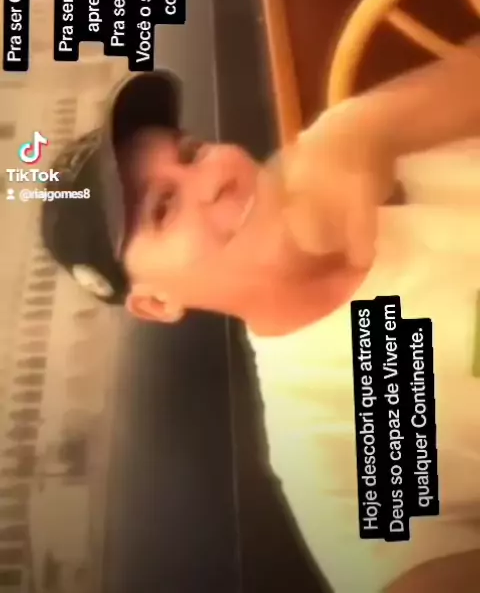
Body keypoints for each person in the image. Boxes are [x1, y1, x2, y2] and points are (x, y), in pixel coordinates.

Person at [41, 39, 480, 593]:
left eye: (192, 153)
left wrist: (382, 120)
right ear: (157, 303)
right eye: (163, 207)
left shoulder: (354, 151)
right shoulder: (335, 438)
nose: (215, 176)